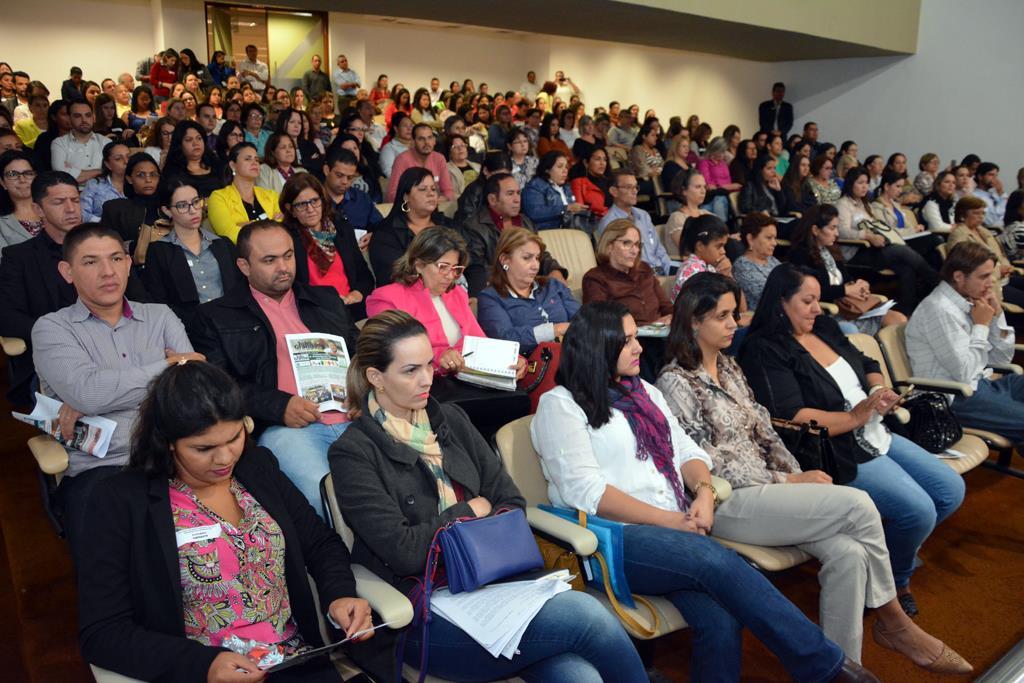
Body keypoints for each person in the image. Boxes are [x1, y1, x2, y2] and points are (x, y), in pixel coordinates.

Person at [532, 301, 882, 682]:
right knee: (718, 561)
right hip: (612, 541)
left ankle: (821, 665)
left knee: (721, 616)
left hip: (674, 531)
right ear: (598, 346)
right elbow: (586, 492)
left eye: (636, 338)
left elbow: (687, 450)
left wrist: (702, 494)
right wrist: (671, 520)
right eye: (627, 340)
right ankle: (823, 666)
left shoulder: (644, 392)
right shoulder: (560, 405)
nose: (639, 348)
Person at [657, 273, 970, 670]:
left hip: (769, 491)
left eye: (734, 313)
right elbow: (707, 461)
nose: (734, 324)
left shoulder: (730, 367)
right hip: (725, 501)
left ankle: (841, 670)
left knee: (851, 553)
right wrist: (789, 480)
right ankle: (893, 621)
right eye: (722, 316)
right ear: (693, 321)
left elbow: (766, 431)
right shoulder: (675, 382)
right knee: (858, 505)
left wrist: (795, 474)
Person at [329, 309, 645, 682]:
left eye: (429, 364)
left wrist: (466, 524)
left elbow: (510, 500)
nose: (427, 379)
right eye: (410, 370)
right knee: (588, 616)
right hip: (427, 609)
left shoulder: (451, 420)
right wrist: (468, 512)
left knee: (578, 675)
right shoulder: (354, 451)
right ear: (375, 378)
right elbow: (404, 551)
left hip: (498, 584)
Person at [78, 361, 371, 683]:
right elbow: (103, 632)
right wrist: (202, 665)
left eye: (234, 438)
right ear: (167, 440)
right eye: (203, 448)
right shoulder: (120, 501)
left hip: (293, 662)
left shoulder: (256, 467)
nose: (225, 458)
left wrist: (339, 594)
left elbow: (320, 544)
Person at [740, 264, 967, 618]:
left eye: (818, 299)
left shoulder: (825, 326)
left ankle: (882, 559)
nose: (818, 308)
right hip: (833, 449)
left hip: (873, 431)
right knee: (918, 511)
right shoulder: (764, 348)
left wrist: (878, 389)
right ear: (781, 302)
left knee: (950, 490)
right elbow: (793, 417)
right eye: (807, 301)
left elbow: (865, 359)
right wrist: (855, 417)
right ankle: (893, 581)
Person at [31, 222, 198, 560]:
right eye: (91, 262)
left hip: (174, 457)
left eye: (116, 259)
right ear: (68, 271)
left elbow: (190, 389)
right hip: (104, 469)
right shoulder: (51, 328)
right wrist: (167, 367)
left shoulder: (160, 315)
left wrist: (96, 395)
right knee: (127, 562)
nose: (108, 272)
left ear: (127, 262)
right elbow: (89, 394)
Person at [193, 220, 358, 510]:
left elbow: (362, 356)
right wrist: (279, 406)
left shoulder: (326, 300)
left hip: (355, 418)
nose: (283, 267)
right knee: (323, 493)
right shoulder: (216, 317)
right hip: (288, 428)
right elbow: (219, 388)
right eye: (269, 260)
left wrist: (364, 394)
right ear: (244, 266)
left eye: (288, 256)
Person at [906, 241, 1024, 442]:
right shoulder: (938, 309)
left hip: (983, 384)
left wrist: (997, 316)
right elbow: (963, 373)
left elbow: (1001, 360)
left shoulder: (968, 301)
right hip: (957, 398)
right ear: (959, 277)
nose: (991, 283)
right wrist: (981, 326)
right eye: (984, 276)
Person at [0, 172, 89, 405]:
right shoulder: (18, 257)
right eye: (59, 202)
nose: (71, 209)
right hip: (54, 358)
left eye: (75, 200)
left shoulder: (104, 246)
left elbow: (139, 299)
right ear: (38, 210)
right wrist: (60, 335)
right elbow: (6, 315)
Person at [788, 204, 906, 335]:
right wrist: (846, 290)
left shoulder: (831, 250)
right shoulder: (800, 255)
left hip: (849, 309)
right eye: (832, 228)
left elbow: (846, 278)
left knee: (898, 319)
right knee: (853, 330)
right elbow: (813, 293)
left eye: (837, 228)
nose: (837, 233)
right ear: (815, 230)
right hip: (829, 312)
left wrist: (860, 285)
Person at [142, 178, 243, 332]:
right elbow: (159, 302)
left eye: (196, 202)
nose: (193, 210)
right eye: (182, 206)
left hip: (233, 325)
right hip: (189, 330)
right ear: (167, 210)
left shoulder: (223, 244)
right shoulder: (159, 251)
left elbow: (240, 289)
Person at [835, 167, 939, 313]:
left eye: (867, 183)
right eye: (860, 183)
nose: (865, 186)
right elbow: (841, 231)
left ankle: (906, 310)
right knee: (900, 250)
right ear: (851, 183)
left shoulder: (864, 204)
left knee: (906, 269)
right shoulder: (843, 204)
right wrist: (867, 236)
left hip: (873, 249)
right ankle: (935, 281)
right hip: (856, 253)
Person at [279, 173, 373, 319]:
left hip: (351, 306)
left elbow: (364, 275)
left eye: (314, 201)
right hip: (314, 312)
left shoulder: (342, 228)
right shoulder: (285, 238)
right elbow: (289, 288)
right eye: (301, 204)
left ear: (322, 200)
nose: (310, 209)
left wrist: (356, 294)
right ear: (291, 209)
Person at [459, 172, 566, 297]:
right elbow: (477, 269)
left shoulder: (525, 221)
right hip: (497, 290)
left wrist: (555, 270)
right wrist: (518, 275)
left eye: (518, 193)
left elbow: (541, 255)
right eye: (510, 194)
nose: (517, 199)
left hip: (529, 285)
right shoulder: (474, 226)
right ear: (492, 199)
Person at [477, 226, 579, 354]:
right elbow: (505, 339)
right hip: (527, 368)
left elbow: (581, 320)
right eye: (527, 258)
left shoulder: (552, 285)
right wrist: (555, 330)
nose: (535, 265)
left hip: (572, 357)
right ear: (504, 260)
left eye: (537, 258)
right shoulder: (490, 298)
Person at [583, 218, 671, 326]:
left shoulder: (644, 269)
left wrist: (671, 317)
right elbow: (599, 321)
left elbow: (667, 307)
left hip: (661, 335)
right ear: (609, 246)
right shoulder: (595, 278)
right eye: (627, 243)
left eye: (637, 244)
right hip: (627, 339)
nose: (635, 251)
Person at [947, 195, 1024, 306]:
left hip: (1004, 279)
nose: (981, 217)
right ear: (962, 215)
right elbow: (965, 265)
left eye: (983, 213)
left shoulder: (984, 232)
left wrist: (1006, 266)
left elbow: (1001, 255)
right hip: (989, 285)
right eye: (976, 213)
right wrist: (998, 270)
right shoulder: (958, 235)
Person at [596, 168, 672, 274]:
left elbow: (659, 249)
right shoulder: (609, 223)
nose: (635, 191)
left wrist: (669, 272)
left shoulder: (643, 215)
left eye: (636, 187)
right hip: (637, 278)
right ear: (614, 191)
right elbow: (614, 263)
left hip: (660, 272)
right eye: (628, 187)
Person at [208, 142, 281, 242]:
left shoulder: (272, 195)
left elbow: (283, 227)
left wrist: (247, 225)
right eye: (248, 159)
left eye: (257, 159)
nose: (255, 163)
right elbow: (229, 234)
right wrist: (270, 222)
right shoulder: (218, 197)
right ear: (233, 165)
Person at [872, 170, 944, 270]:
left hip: (908, 238)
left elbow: (907, 225)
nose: (900, 190)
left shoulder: (895, 205)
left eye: (901, 187)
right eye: (897, 186)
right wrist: (912, 230)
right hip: (897, 243)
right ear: (886, 186)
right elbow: (889, 232)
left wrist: (916, 228)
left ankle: (934, 281)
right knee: (934, 240)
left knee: (933, 253)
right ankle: (938, 280)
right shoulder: (877, 207)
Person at [100, 152, 164, 260]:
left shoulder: (169, 207)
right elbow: (108, 248)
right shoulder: (115, 208)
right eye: (141, 175)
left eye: (153, 175)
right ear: (129, 179)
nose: (148, 180)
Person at [385, 123, 454, 202]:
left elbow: (448, 191)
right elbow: (392, 195)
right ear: (413, 142)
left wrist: (434, 201)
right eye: (421, 139)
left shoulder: (439, 158)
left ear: (434, 141)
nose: (427, 142)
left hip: (435, 207)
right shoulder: (402, 160)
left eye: (430, 138)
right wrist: (418, 203)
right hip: (410, 210)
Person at [671, 213, 732, 300]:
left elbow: (740, 308)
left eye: (724, 246)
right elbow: (708, 309)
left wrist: (728, 275)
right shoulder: (691, 272)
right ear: (700, 246)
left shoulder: (711, 266)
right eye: (719, 246)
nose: (723, 251)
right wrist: (725, 278)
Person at [160, 120, 226, 199]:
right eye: (189, 140)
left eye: (199, 138)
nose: (196, 143)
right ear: (179, 145)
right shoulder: (173, 174)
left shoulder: (218, 166)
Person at [522, 150, 587, 230]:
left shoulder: (566, 187)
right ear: (547, 169)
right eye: (560, 167)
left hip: (568, 232)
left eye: (566, 167)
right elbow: (535, 213)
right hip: (546, 234)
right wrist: (566, 208)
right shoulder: (535, 186)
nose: (565, 171)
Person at [50, 100, 107, 185]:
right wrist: (103, 171)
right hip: (72, 195)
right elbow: (62, 177)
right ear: (69, 119)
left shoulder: (106, 142)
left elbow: (116, 172)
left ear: (94, 117)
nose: (84, 120)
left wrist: (73, 171)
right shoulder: (59, 143)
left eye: (88, 115)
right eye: (77, 116)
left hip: (103, 194)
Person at [732, 213, 781, 309]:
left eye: (774, 238)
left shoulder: (772, 260)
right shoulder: (742, 266)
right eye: (769, 238)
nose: (774, 243)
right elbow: (769, 296)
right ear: (750, 239)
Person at [0, 150, 42, 253]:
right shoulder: (1, 223)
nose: (22, 179)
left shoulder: (52, 210)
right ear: (2, 182)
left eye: (28, 173)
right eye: (12, 174)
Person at [79, 141, 128, 222]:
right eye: (118, 159)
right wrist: (104, 223)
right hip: (100, 231)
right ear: (108, 164)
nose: (126, 161)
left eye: (128, 157)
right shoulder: (94, 184)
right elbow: (83, 214)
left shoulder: (136, 184)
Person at [696, 137, 739, 222]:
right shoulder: (704, 162)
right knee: (718, 200)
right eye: (722, 151)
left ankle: (721, 227)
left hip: (723, 194)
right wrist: (724, 186)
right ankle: (722, 227)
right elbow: (707, 184)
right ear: (715, 150)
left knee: (720, 199)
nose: (724, 154)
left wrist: (719, 185)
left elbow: (728, 181)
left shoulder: (723, 164)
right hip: (709, 196)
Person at [570, 146, 611, 219]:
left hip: (613, 220)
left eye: (605, 160)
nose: (602, 163)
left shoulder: (609, 181)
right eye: (597, 159)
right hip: (592, 223)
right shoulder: (578, 183)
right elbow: (580, 211)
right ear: (586, 162)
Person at [972, 162, 1008, 227]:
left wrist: (1001, 192)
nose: (995, 179)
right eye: (991, 175)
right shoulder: (974, 197)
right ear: (980, 176)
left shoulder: (995, 194)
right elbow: (990, 221)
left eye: (996, 175)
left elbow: (1008, 213)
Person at [378, 111, 412, 178]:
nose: (409, 129)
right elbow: (389, 174)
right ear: (396, 129)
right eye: (405, 126)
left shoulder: (417, 145)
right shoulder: (389, 148)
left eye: (411, 126)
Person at [445, 134, 479, 198]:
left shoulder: (478, 166)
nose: (460, 148)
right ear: (449, 152)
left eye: (462, 145)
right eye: (455, 146)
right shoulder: (445, 169)